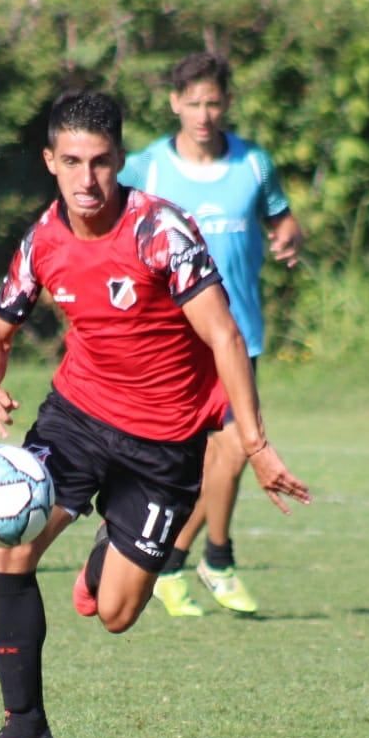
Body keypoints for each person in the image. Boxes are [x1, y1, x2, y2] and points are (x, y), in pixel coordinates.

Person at [0, 91, 310, 738]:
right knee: (11, 549)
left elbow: (225, 335)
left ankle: (106, 548)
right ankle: (23, 727)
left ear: (121, 160)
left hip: (165, 443)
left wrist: (256, 444)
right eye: (72, 163)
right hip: (76, 418)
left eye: (101, 162)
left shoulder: (159, 232)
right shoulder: (43, 242)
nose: (87, 180)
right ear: (49, 162)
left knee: (114, 612)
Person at [119, 51, 304, 618]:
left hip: (236, 335)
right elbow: (105, 226)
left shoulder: (253, 165)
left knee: (233, 451)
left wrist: (290, 234)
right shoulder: (146, 168)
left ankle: (202, 561)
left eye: (214, 102)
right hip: (168, 341)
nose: (203, 114)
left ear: (227, 104)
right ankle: (184, 562)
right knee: (198, 465)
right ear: (175, 103)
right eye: (193, 103)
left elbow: (280, 215)